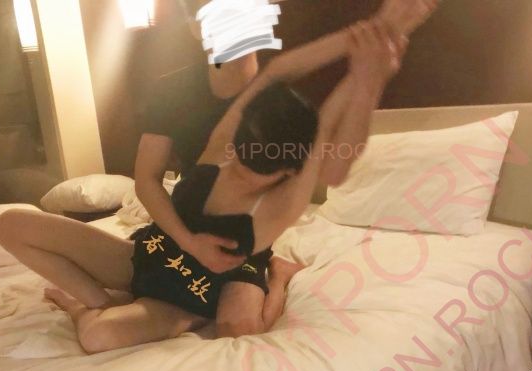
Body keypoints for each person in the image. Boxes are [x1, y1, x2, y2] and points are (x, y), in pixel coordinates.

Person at [0, 2, 438, 354]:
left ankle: (275, 277)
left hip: (191, 295)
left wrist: (369, 76)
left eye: (256, 169)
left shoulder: (280, 201)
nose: (239, 168)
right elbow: (278, 74)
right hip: (157, 253)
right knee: (10, 225)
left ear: (288, 172)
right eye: (239, 154)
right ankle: (103, 302)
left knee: (107, 336)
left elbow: (332, 154)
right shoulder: (223, 145)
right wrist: (372, 30)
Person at [134, 0, 439, 336]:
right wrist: (187, 241)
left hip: (247, 232)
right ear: (195, 26)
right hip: (186, 219)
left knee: (238, 328)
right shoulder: (173, 90)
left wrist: (380, 42)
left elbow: (332, 161)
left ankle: (278, 275)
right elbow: (146, 179)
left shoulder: (285, 90)